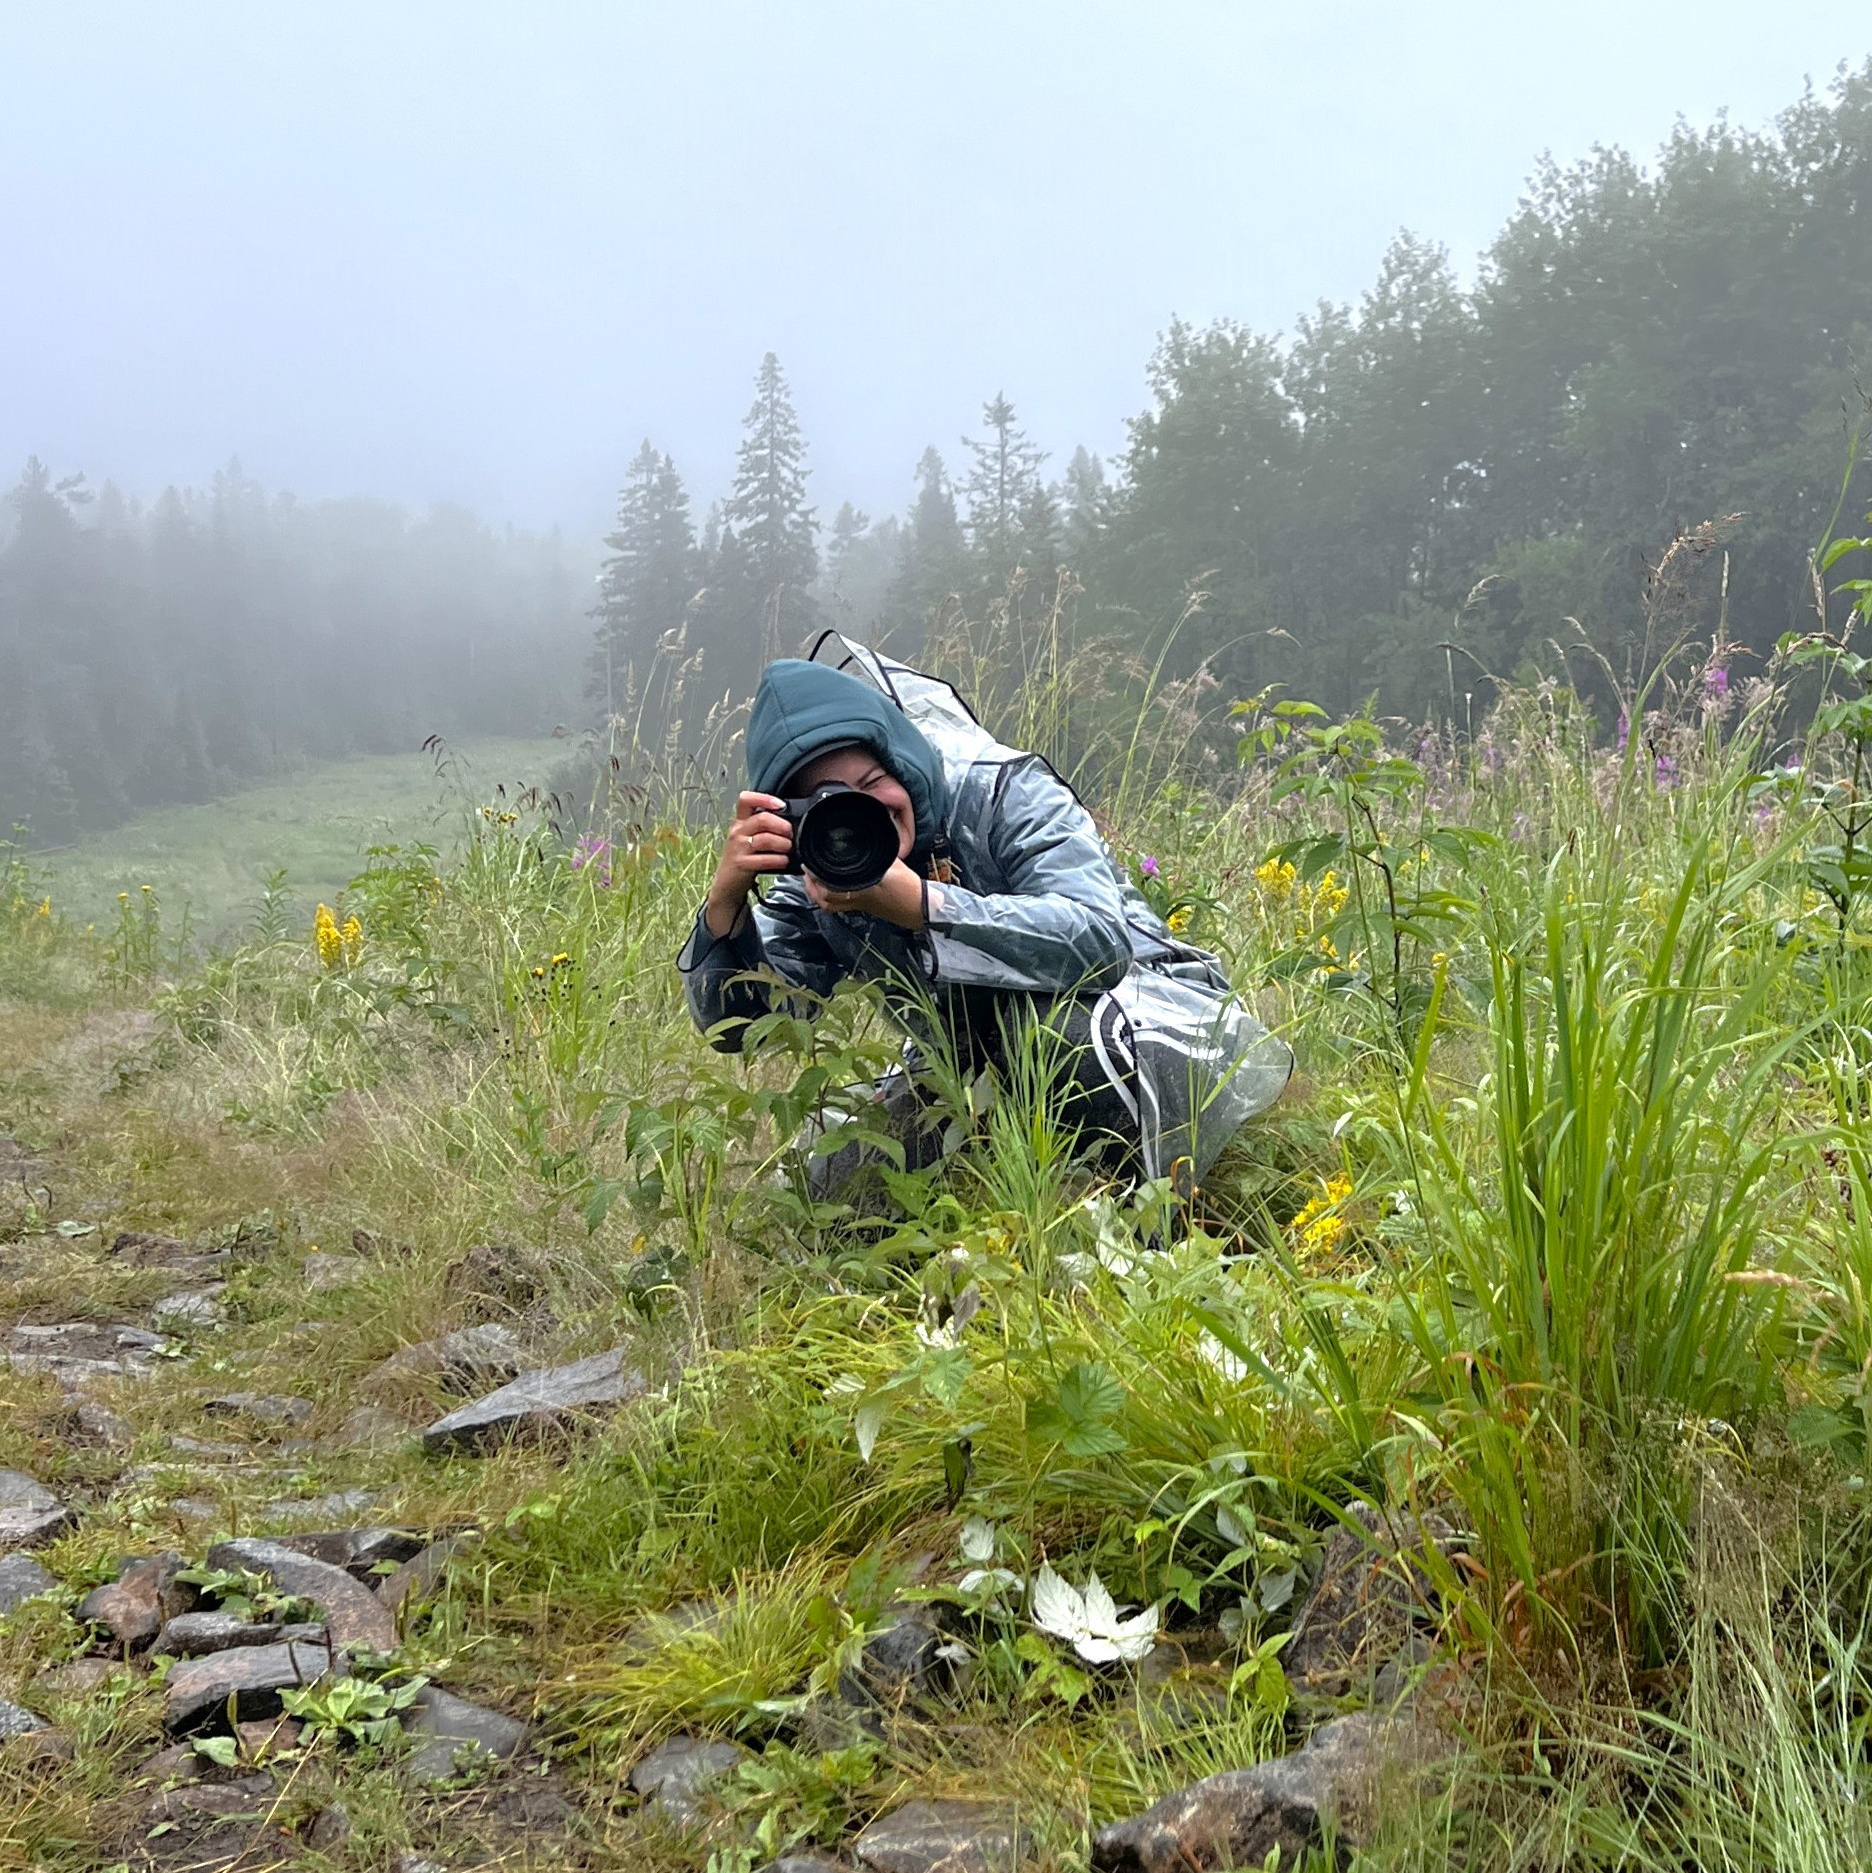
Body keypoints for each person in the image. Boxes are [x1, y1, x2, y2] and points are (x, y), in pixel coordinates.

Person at [677, 634, 1291, 1196]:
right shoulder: (820, 871)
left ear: (902, 761)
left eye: (871, 782)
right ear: (792, 819)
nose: (861, 815)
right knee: (841, 1191)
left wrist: (921, 907)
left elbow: (1100, 943)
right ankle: (1006, 1183)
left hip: (1146, 1012)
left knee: (1058, 1039)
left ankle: (1148, 1221)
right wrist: (725, 908)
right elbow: (745, 1029)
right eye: (827, 808)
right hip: (964, 1060)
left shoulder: (1002, 790)